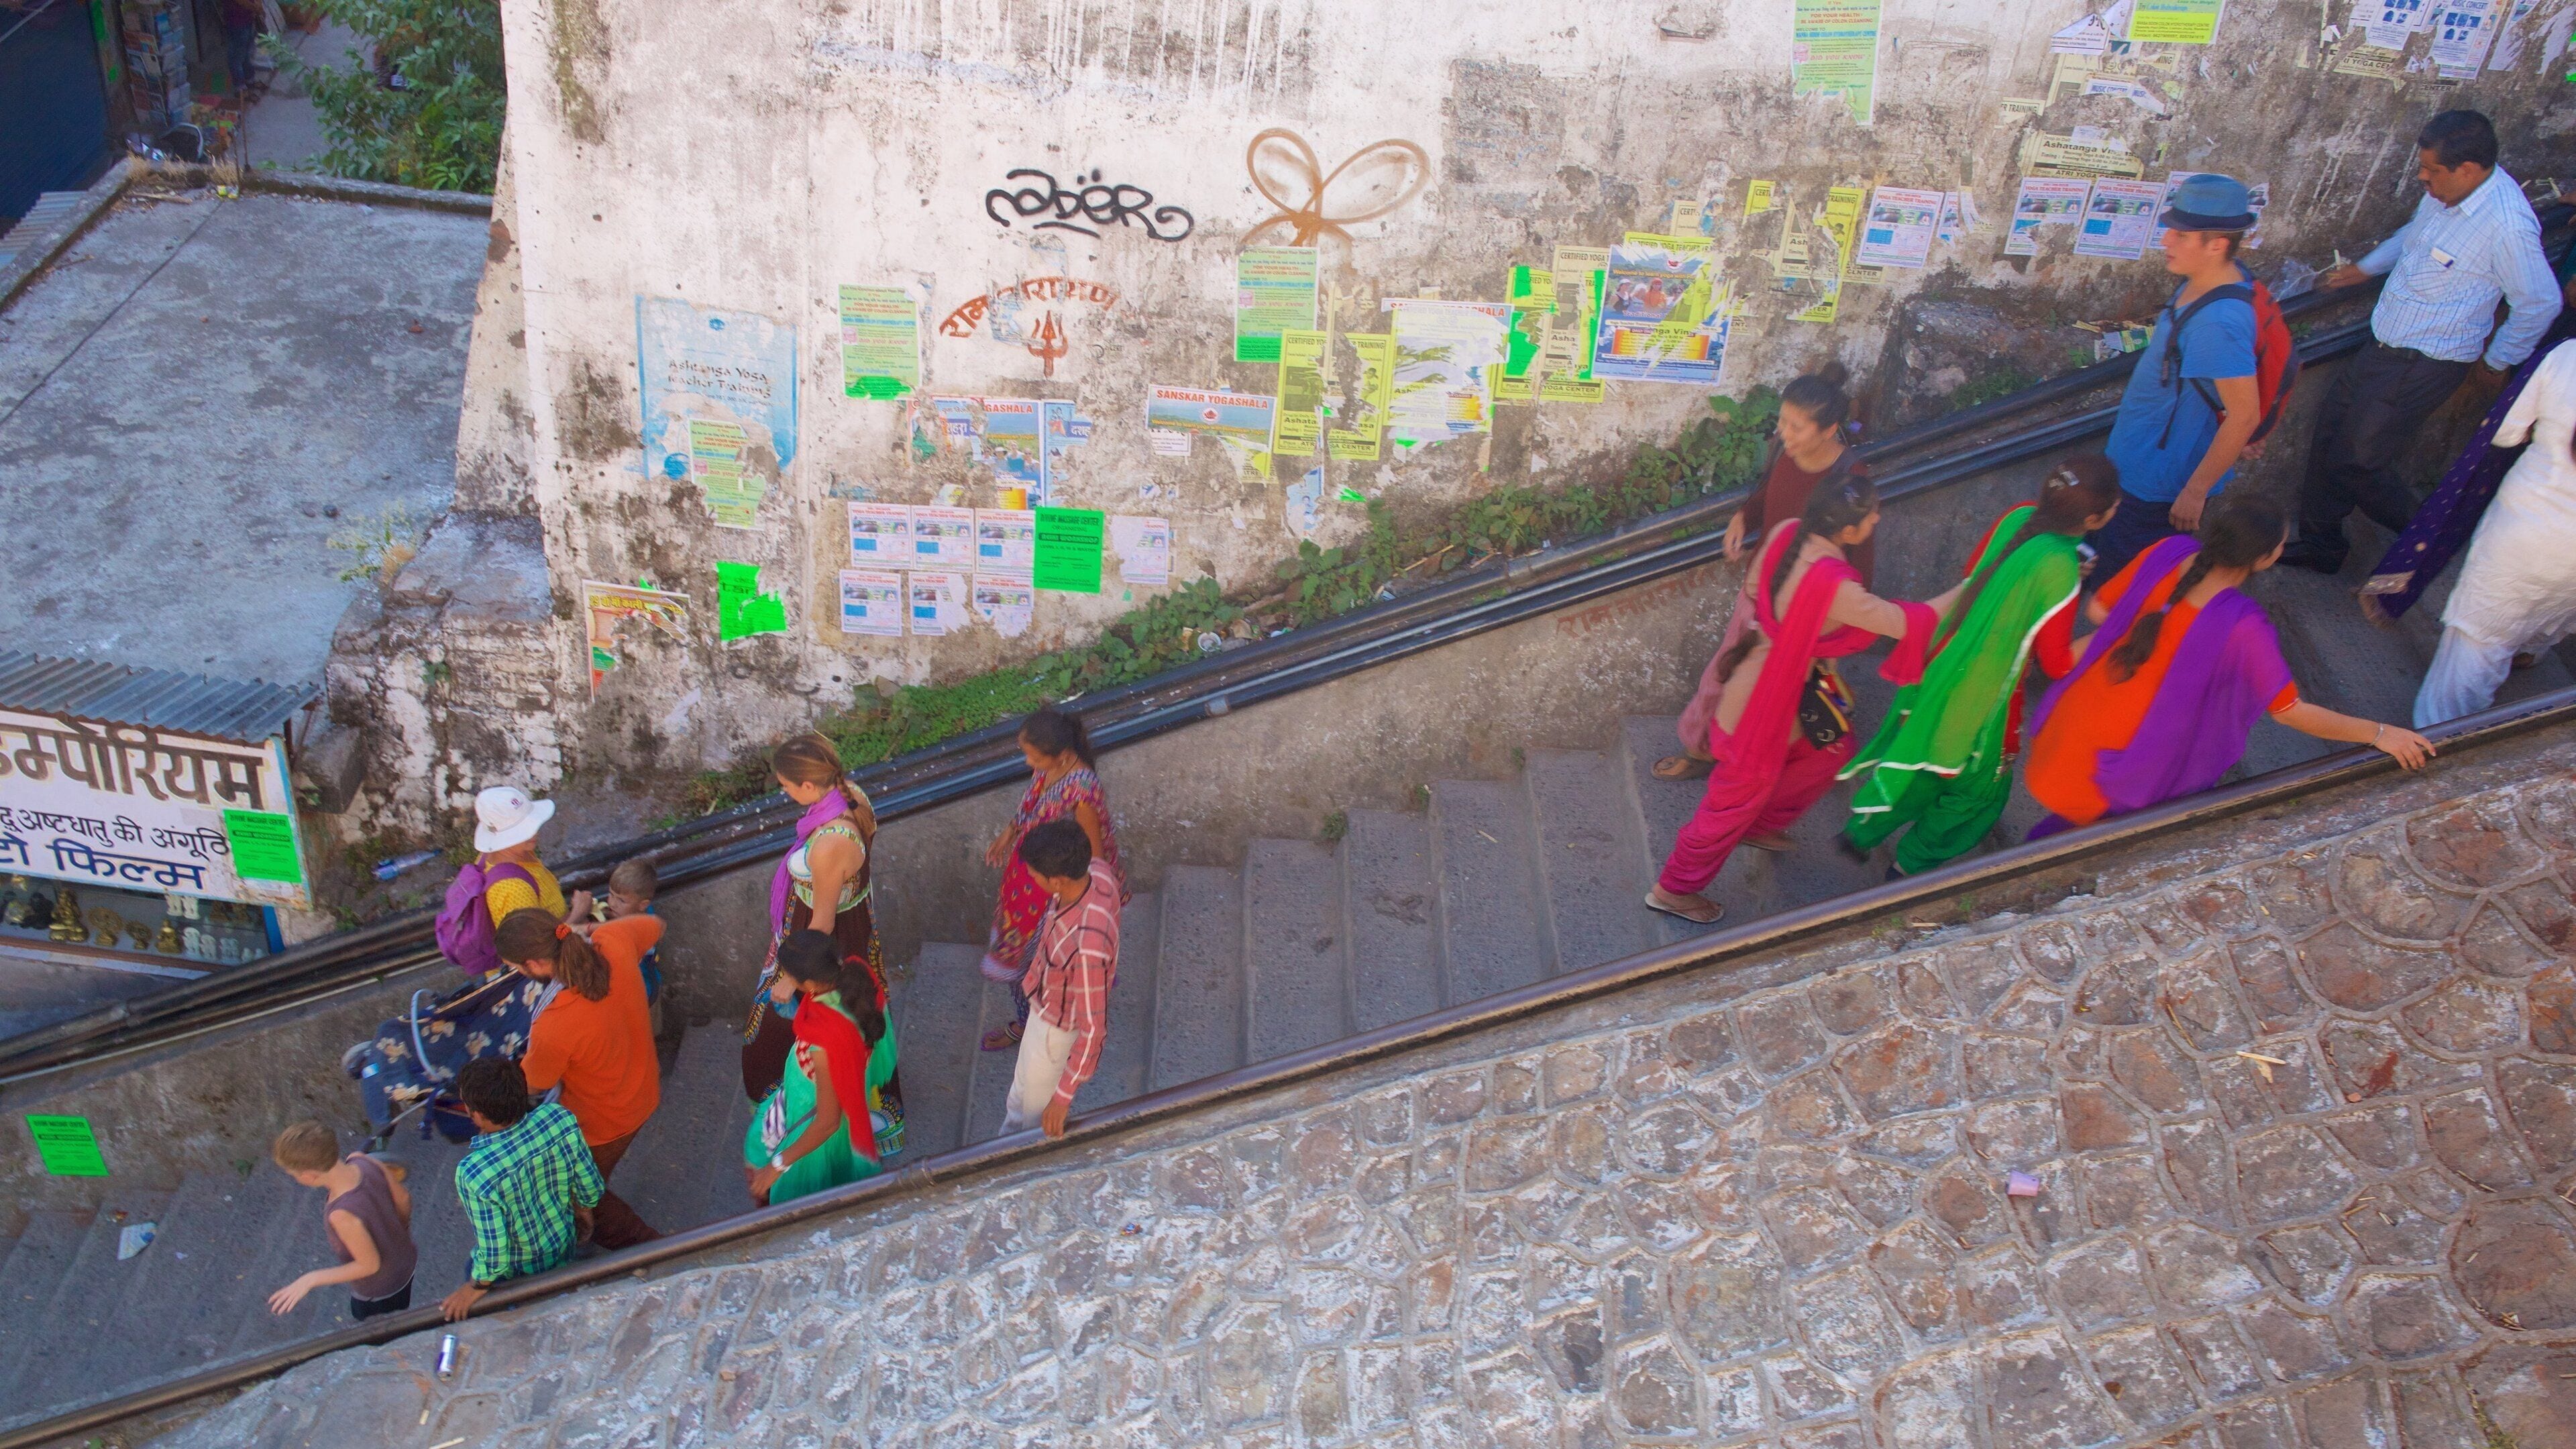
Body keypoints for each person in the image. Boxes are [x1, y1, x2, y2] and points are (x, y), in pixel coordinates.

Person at [2024, 494, 2434, 837]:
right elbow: (2291, 712)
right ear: (2265, 558)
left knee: (2062, 828)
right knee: (2089, 836)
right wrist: (2380, 734)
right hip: (2130, 755)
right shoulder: (2243, 626)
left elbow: (2099, 609)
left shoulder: (2168, 550)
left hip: (2083, 712)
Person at [1644, 476, 1951, 926]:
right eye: (1872, 515)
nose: (1878, 519)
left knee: (1830, 754)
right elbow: (1908, 622)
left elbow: (1753, 591)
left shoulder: (1788, 532)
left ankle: (1761, 824)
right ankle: (1672, 890)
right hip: (1760, 711)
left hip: (1771, 681)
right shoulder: (1836, 588)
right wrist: (1977, 585)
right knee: (1728, 807)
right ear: (1848, 531)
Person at [2284, 110, 2563, 574]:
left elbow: (2540, 301)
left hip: (2424, 361)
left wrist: (2497, 361)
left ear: (2468, 170)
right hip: (2384, 341)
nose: (2421, 176)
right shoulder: (2446, 194)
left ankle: (2427, 541)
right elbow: (2414, 236)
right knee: (2332, 435)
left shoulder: (2507, 226)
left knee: (2359, 462)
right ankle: (2321, 545)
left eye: (2432, 169)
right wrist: (2367, 268)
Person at [1840, 457, 2125, 877]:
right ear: (2094, 518)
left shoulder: (2020, 515)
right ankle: (1909, 865)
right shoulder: (2061, 569)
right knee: (1976, 792)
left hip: (1942, 658)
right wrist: (2112, 631)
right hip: (1985, 695)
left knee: (1923, 749)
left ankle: (1861, 833)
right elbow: (2058, 662)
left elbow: (1974, 572)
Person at [1660, 366, 1872, 784]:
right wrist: (1744, 515)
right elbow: (1768, 491)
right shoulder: (1783, 451)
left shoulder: (1849, 480)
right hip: (1760, 590)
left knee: (1800, 694)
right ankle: (1699, 749)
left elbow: (1861, 554)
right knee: (1725, 669)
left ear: (1829, 430)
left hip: (1809, 608)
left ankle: (1797, 772)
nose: (1784, 433)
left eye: (1796, 427)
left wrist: (1844, 624)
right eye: (1782, 421)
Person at [2360, 252, 2576, 625]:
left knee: (2477, 480)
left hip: (2555, 383)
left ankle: (2395, 592)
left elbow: (2568, 294)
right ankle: (2533, 638)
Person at [2091, 174, 2262, 583]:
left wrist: (2195, 491)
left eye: (2180, 234)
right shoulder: (2207, 281)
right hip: (2135, 462)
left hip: (2155, 483)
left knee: (2115, 597)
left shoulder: (2218, 323)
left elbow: (2244, 416)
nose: (2166, 240)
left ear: (2217, 244)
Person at [743, 735, 904, 1159]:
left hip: (823, 938)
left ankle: (807, 1107)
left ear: (810, 788)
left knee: (782, 1027)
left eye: (787, 785)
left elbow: (823, 921)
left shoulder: (832, 840)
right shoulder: (852, 795)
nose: (785, 792)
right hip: (852, 925)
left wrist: (790, 976)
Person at [2414, 335, 2576, 725]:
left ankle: (2442, 740)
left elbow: (2506, 433)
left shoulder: (2566, 355)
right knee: (2555, 604)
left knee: (2477, 641)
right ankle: (2527, 652)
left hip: (2524, 528)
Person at [497, 908, 662, 1248]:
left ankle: (647, 1248)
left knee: (581, 1191)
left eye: (515, 967)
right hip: (642, 1089)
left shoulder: (555, 1023)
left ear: (535, 965)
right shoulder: (612, 941)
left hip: (602, 1123)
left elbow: (533, 1085)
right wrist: (585, 927)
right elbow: (656, 926)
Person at [979, 706, 1124, 1053]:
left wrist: (1080, 910)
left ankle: (1042, 1027)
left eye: (1033, 757)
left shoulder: (1083, 792)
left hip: (1048, 897)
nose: (1029, 764)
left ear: (1062, 755)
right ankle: (1031, 1021)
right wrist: (1008, 832)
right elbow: (1031, 805)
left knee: (1040, 968)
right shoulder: (1053, 770)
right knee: (1026, 965)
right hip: (1027, 884)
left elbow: (1094, 856)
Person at [440, 1058, 601, 1321]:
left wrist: (475, 1287)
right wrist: (585, 1213)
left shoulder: (474, 1173)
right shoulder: (558, 1119)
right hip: (564, 1242)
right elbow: (589, 1184)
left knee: (476, 1273)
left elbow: (496, 1253)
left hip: (518, 1271)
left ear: (477, 1116)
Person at [745, 928, 895, 1205]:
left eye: (790, 975)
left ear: (810, 985)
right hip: (841, 1094)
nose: (786, 981)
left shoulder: (824, 1042)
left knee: (806, 1195)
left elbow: (827, 1122)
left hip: (815, 1123)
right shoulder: (856, 972)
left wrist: (777, 1166)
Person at [1002, 820, 1120, 1139]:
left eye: (1035, 874)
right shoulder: (1097, 871)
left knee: (1032, 1122)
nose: (1031, 878)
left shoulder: (1088, 945)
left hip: (1055, 1032)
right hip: (1044, 1010)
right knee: (1018, 1097)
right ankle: (999, 1147)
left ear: (1057, 881)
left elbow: (1093, 1028)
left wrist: (1063, 1097)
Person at [265, 1121, 418, 1323]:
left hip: (380, 1290)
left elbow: (370, 1266)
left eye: (293, 1175)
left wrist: (310, 1280)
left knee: (379, 1329)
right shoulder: (364, 1161)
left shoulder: (341, 1214)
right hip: (406, 1261)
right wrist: (399, 1232)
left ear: (309, 1176)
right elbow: (404, 1198)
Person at [472, 785, 588, 928]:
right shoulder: (513, 890)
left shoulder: (504, 852)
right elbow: (536, 949)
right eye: (523, 831)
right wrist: (578, 913)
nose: (534, 833)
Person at [603, 858, 663, 1008]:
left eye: (622, 901)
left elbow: (624, 929)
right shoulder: (641, 912)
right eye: (611, 894)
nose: (612, 903)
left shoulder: (639, 926)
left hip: (644, 994)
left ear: (643, 904)